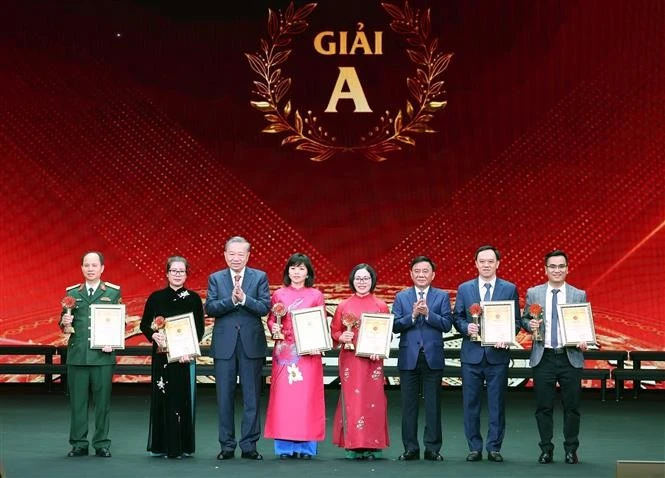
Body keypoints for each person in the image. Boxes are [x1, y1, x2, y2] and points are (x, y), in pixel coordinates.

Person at [205, 236, 271, 461]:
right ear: (225, 255)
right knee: (224, 397)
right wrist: (231, 302)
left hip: (251, 346)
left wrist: (244, 299)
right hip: (224, 346)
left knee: (252, 396)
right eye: (231, 254)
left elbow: (264, 307)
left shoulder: (259, 277)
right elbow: (211, 308)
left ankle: (250, 444)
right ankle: (227, 445)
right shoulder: (215, 278)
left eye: (240, 254)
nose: (235, 258)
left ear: (248, 256)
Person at [452, 245, 520, 463]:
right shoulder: (464, 289)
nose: (486, 265)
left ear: (498, 263)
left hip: (497, 355)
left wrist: (507, 334)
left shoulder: (509, 288)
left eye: (491, 261)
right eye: (482, 261)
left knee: (496, 404)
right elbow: (458, 317)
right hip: (471, 355)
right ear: (476, 264)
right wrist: (466, 328)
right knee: (470, 403)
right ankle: (474, 447)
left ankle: (494, 447)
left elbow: (516, 321)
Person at [521, 250, 588, 465]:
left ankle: (571, 449)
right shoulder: (534, 293)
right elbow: (524, 319)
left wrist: (584, 338)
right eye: (552, 266)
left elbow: (585, 322)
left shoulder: (579, 294)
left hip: (571, 357)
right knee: (543, 407)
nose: (557, 270)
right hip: (544, 357)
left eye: (561, 266)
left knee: (572, 407)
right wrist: (529, 325)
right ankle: (546, 449)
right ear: (545, 269)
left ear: (567, 269)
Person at [139, 256, 204, 459]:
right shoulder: (156, 297)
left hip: (184, 358)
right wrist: (153, 335)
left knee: (182, 398)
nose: (177, 274)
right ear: (167, 273)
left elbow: (199, 329)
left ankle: (182, 446)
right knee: (163, 397)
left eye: (181, 271)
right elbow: (144, 325)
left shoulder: (193, 298)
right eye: (173, 271)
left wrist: (189, 351)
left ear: (186, 275)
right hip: (162, 357)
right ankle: (162, 445)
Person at [264, 253, 326, 459]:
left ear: (308, 272)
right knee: (284, 401)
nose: (296, 272)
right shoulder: (279, 294)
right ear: (287, 271)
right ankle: (284, 447)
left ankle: (307, 447)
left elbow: (320, 323)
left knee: (307, 400)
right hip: (285, 352)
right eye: (293, 268)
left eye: (301, 268)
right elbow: (272, 320)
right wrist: (275, 329)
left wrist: (317, 343)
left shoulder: (315, 295)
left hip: (308, 353)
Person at [59, 251, 121, 458]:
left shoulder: (112, 292)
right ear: (82, 268)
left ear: (102, 268)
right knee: (78, 402)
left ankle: (102, 443)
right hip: (78, 355)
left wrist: (112, 342)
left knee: (102, 403)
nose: (90, 269)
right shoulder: (72, 293)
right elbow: (64, 324)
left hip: (103, 356)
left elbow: (119, 322)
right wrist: (64, 323)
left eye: (94, 265)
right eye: (87, 265)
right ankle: (79, 443)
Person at [392, 256, 453, 461]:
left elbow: (446, 324)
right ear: (411, 274)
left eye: (425, 271)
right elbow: (394, 325)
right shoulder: (401, 297)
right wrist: (411, 316)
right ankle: (410, 448)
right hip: (409, 357)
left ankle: (432, 448)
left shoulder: (442, 296)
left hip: (432, 358)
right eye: (417, 271)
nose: (421, 274)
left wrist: (428, 314)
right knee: (408, 405)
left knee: (433, 405)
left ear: (432, 274)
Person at [330, 264, 390, 460]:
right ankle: (353, 444)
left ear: (372, 280)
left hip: (373, 361)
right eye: (358, 278)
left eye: (366, 278)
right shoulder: (343, 306)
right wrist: (342, 336)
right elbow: (334, 332)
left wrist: (378, 350)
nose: (362, 282)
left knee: (374, 401)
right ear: (352, 281)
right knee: (353, 401)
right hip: (350, 360)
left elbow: (385, 334)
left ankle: (373, 445)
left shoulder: (380, 305)